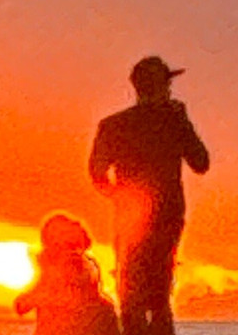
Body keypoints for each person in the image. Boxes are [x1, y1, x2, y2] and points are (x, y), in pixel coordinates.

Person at [88, 56, 209, 335]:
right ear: (161, 87)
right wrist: (183, 122)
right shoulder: (174, 123)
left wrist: (120, 197)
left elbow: (96, 174)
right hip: (166, 218)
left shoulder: (113, 125)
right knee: (159, 295)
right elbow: (201, 162)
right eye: (167, 85)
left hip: (132, 219)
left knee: (131, 293)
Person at [13, 213, 120, 335]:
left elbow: (78, 293)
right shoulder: (52, 271)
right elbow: (23, 304)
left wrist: (42, 298)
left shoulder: (80, 265)